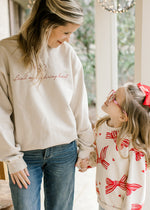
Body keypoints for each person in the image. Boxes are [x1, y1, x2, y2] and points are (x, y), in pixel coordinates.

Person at [0, 0, 94, 209]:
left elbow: (79, 104)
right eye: (66, 32)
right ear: (46, 23)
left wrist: (86, 147)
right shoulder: (5, 52)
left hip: (64, 151)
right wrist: (12, 158)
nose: (69, 39)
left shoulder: (68, 54)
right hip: (24, 155)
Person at [84, 82, 150, 210]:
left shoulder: (134, 147)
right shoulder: (103, 127)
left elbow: (135, 189)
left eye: (115, 98)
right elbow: (101, 155)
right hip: (103, 201)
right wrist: (88, 161)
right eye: (113, 92)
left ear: (123, 116)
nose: (110, 97)